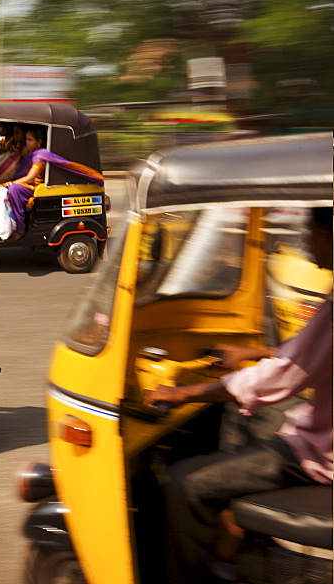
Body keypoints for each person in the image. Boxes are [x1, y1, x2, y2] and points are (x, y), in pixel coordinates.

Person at [144, 208, 333, 584]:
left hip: (321, 454)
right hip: (317, 434)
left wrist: (184, 393)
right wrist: (255, 354)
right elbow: (312, 355)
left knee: (186, 482)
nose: (304, 241)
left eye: (310, 231)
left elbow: (280, 379)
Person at [0, 125, 105, 236]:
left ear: (39, 141)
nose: (27, 142)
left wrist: (8, 184)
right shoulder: (31, 153)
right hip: (29, 185)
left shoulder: (40, 155)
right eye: (26, 139)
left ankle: (20, 229)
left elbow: (30, 178)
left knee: (14, 189)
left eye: (30, 140)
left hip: (36, 187)